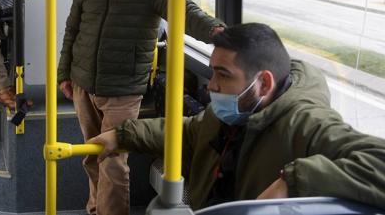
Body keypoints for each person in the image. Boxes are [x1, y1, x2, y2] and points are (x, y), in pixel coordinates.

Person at [88, 23, 385, 211]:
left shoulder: (305, 122)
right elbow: (191, 130)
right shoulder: (231, 113)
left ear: (264, 84)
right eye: (213, 71)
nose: (211, 85)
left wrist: (293, 180)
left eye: (223, 75)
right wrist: (123, 135)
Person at [57, 0, 225, 215]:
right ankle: (95, 210)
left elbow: (183, 11)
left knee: (112, 161)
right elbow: (73, 28)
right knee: (91, 156)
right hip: (84, 81)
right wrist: (64, 72)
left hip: (123, 86)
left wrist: (215, 31)